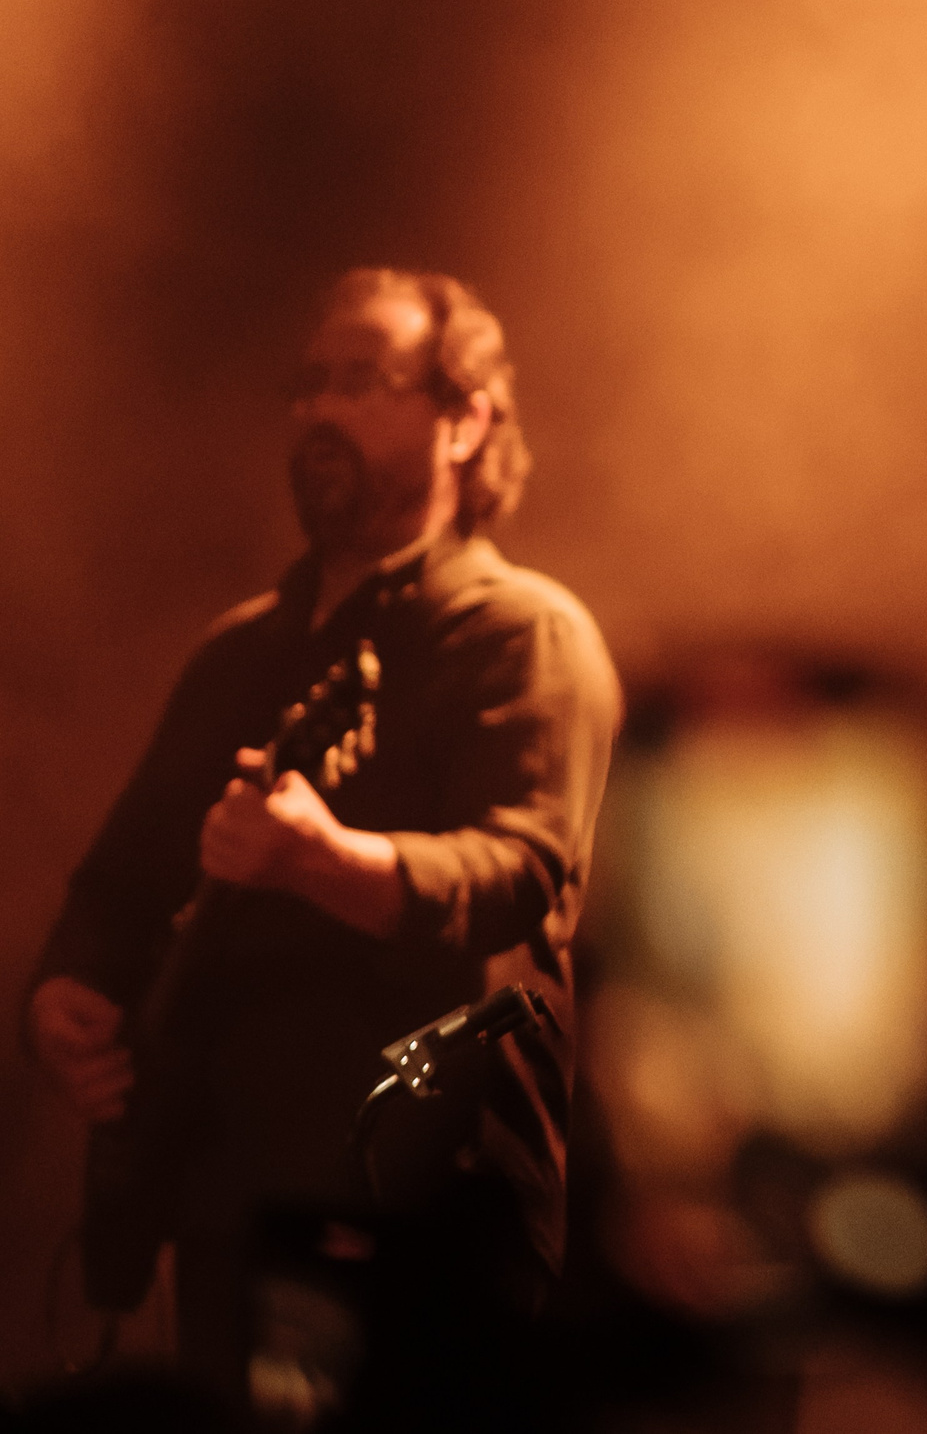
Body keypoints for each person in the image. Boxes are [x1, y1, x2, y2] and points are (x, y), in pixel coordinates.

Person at [23, 268, 620, 1402]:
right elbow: (117, 886)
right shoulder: (239, 653)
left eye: (363, 380)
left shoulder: (523, 635)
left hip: (423, 1206)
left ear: (466, 418)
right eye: (309, 385)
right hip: (225, 1195)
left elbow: (520, 870)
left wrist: (324, 861)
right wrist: (62, 996)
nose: (319, 410)